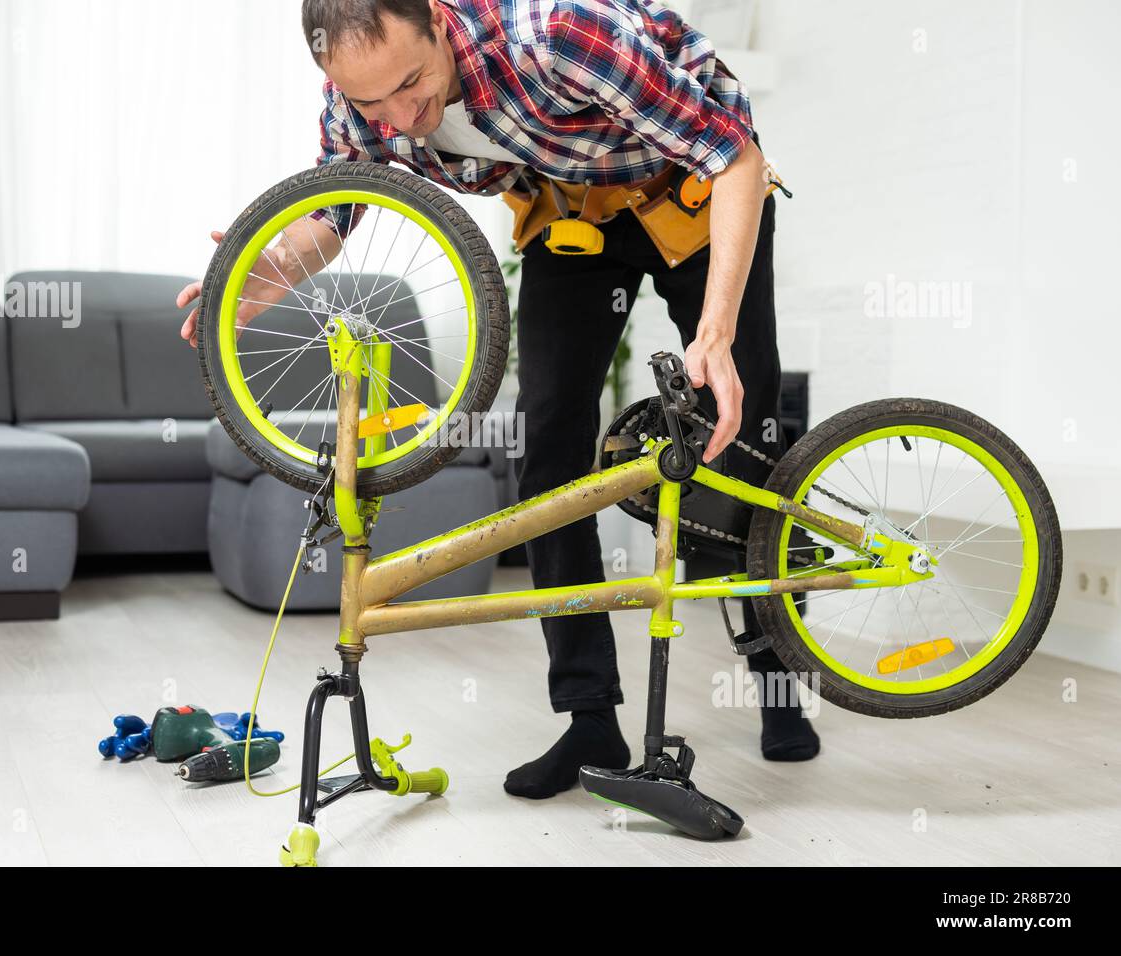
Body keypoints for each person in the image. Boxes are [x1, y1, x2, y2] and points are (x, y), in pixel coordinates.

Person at [178, 0, 820, 800]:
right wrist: (255, 276)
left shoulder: (556, 35)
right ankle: (591, 720)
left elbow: (735, 158)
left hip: (695, 192)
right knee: (549, 453)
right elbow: (336, 216)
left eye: (412, 85)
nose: (401, 117)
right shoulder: (363, 101)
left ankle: (777, 678)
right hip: (575, 214)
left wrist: (715, 336)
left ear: (440, 23)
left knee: (742, 439)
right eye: (372, 104)